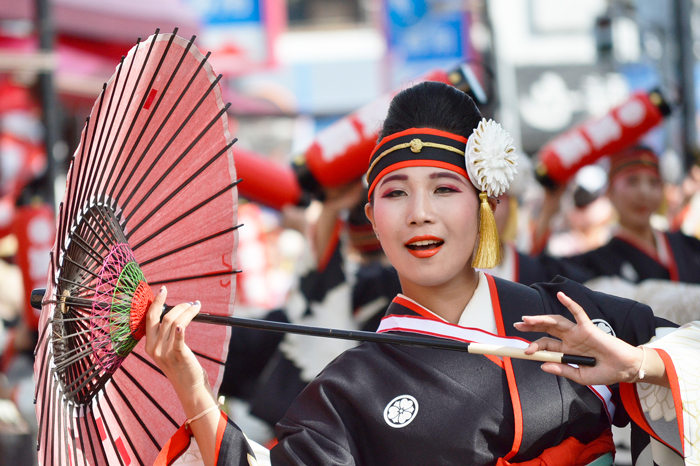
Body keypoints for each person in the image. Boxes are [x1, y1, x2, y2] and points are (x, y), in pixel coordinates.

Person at [145, 82, 699, 466]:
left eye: (443, 188)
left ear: (484, 204)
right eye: (395, 193)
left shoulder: (567, 312)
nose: (419, 212)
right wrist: (191, 390)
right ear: (373, 219)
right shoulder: (351, 386)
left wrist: (641, 365)